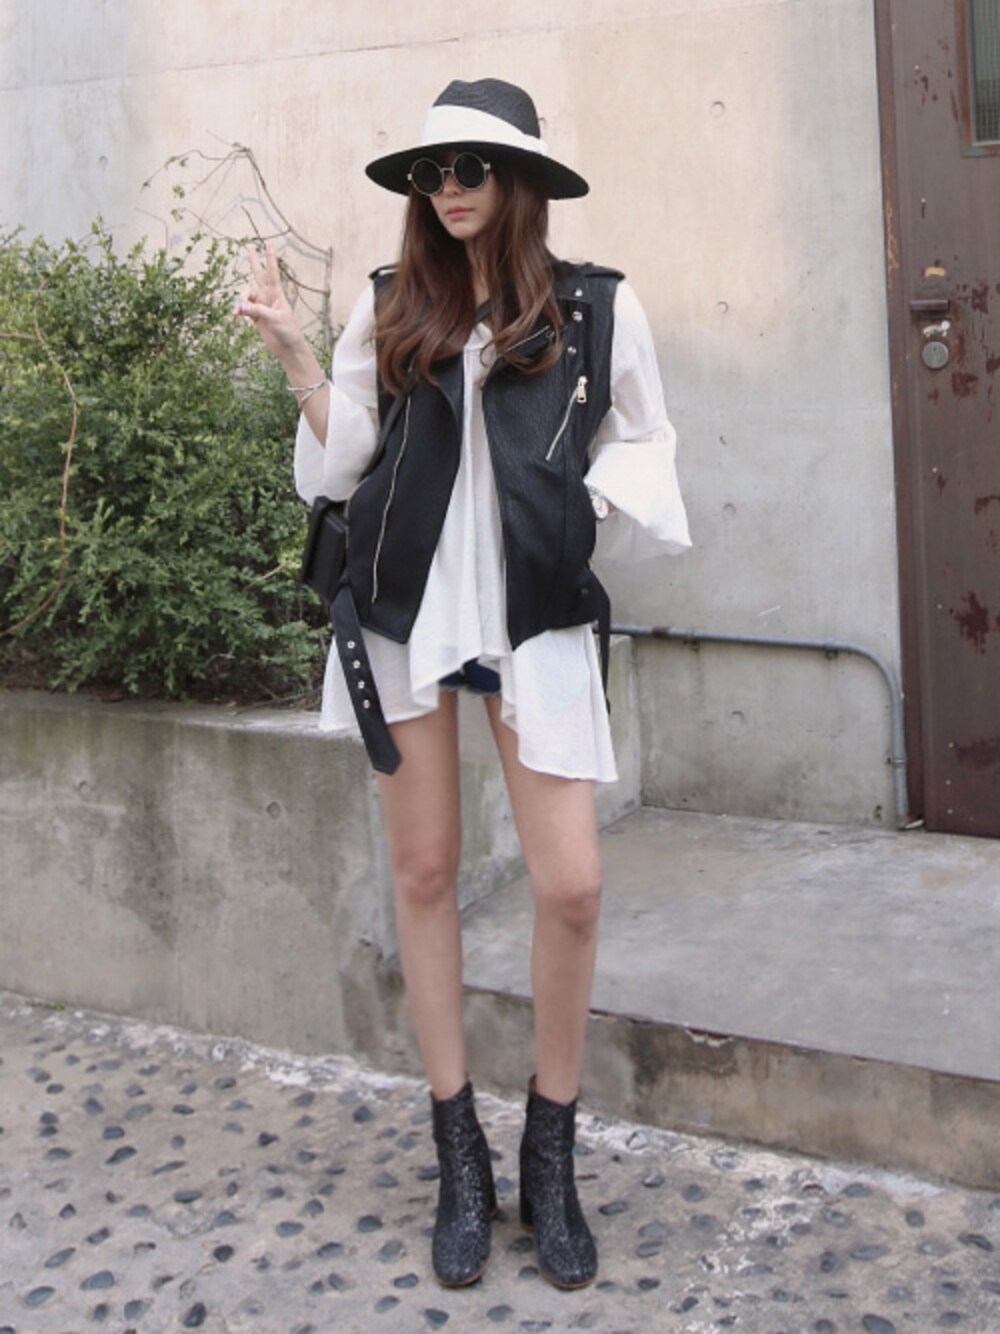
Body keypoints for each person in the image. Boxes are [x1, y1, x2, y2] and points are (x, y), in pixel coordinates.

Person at [238, 77, 690, 1291]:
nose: (447, 188)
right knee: (426, 872)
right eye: (431, 171)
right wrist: (294, 351)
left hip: (532, 616)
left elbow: (645, 438)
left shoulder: (595, 307)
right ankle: (458, 1155)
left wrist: (582, 510)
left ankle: (551, 1151)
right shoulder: (396, 302)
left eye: (470, 168)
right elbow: (344, 461)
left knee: (573, 886)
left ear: (518, 179)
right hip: (407, 615)